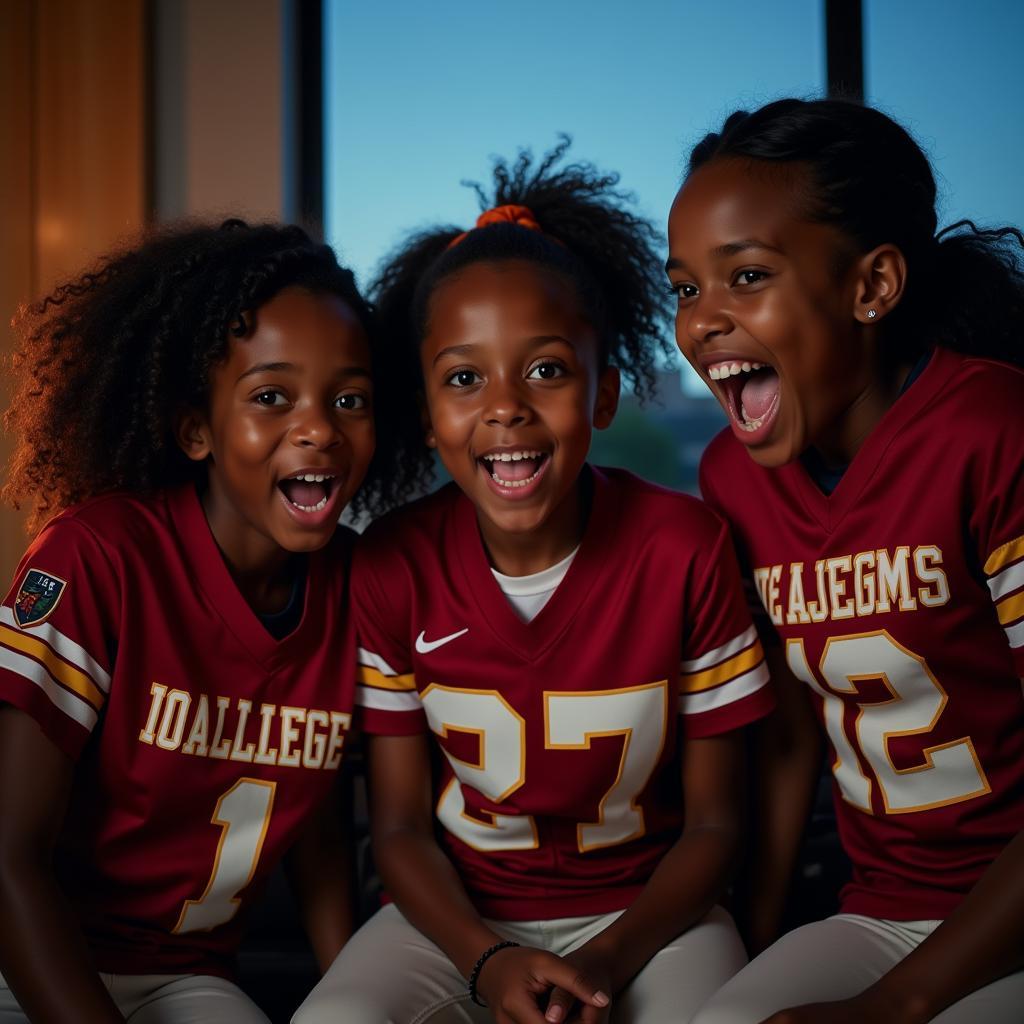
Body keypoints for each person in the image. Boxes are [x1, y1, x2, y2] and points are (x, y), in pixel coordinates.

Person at [294, 139, 774, 1024]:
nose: (505, 405)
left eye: (546, 370)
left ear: (602, 394)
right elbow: (396, 830)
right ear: (429, 412)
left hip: (651, 915)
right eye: (465, 378)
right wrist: (487, 960)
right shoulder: (393, 564)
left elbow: (717, 824)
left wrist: (606, 958)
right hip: (455, 920)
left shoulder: (684, 547)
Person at [663, 98, 1024, 1024]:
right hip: (885, 909)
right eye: (685, 288)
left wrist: (896, 1005)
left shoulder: (993, 433)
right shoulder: (733, 479)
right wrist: (763, 929)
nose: (704, 321)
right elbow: (790, 734)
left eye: (745, 276)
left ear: (873, 286)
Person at [0, 220, 415, 1023]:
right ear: (197, 428)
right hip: (28, 961)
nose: (320, 427)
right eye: (271, 396)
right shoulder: (96, 558)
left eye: (350, 399)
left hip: (185, 976)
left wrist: (349, 999)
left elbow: (319, 821)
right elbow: (7, 859)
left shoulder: (356, 582)